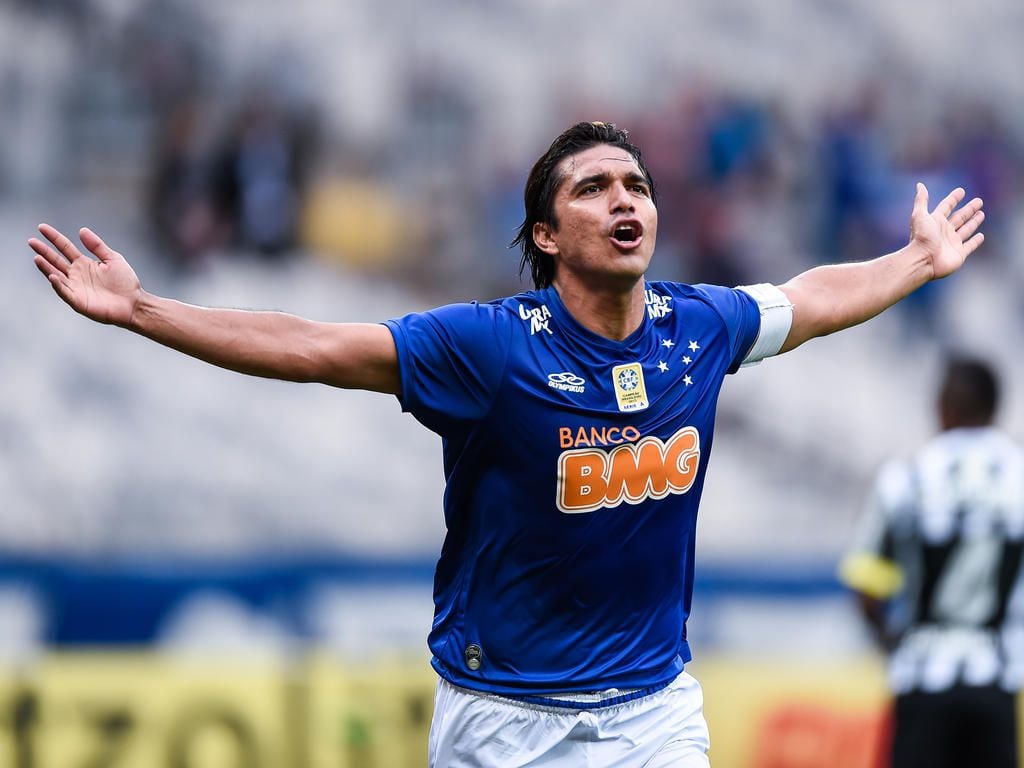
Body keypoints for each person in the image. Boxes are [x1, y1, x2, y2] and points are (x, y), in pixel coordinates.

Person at [30, 121, 985, 767]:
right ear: (547, 232)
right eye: (597, 187)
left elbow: (810, 301)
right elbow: (317, 347)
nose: (628, 200)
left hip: (652, 710)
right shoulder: (489, 347)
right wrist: (144, 309)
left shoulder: (701, 326)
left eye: (639, 186)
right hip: (505, 717)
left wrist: (915, 261)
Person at [839, 357, 1024, 768]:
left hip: (923, 676)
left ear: (943, 405)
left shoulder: (907, 476)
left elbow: (867, 586)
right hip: (997, 676)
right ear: (995, 407)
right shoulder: (1017, 474)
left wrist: (894, 643)